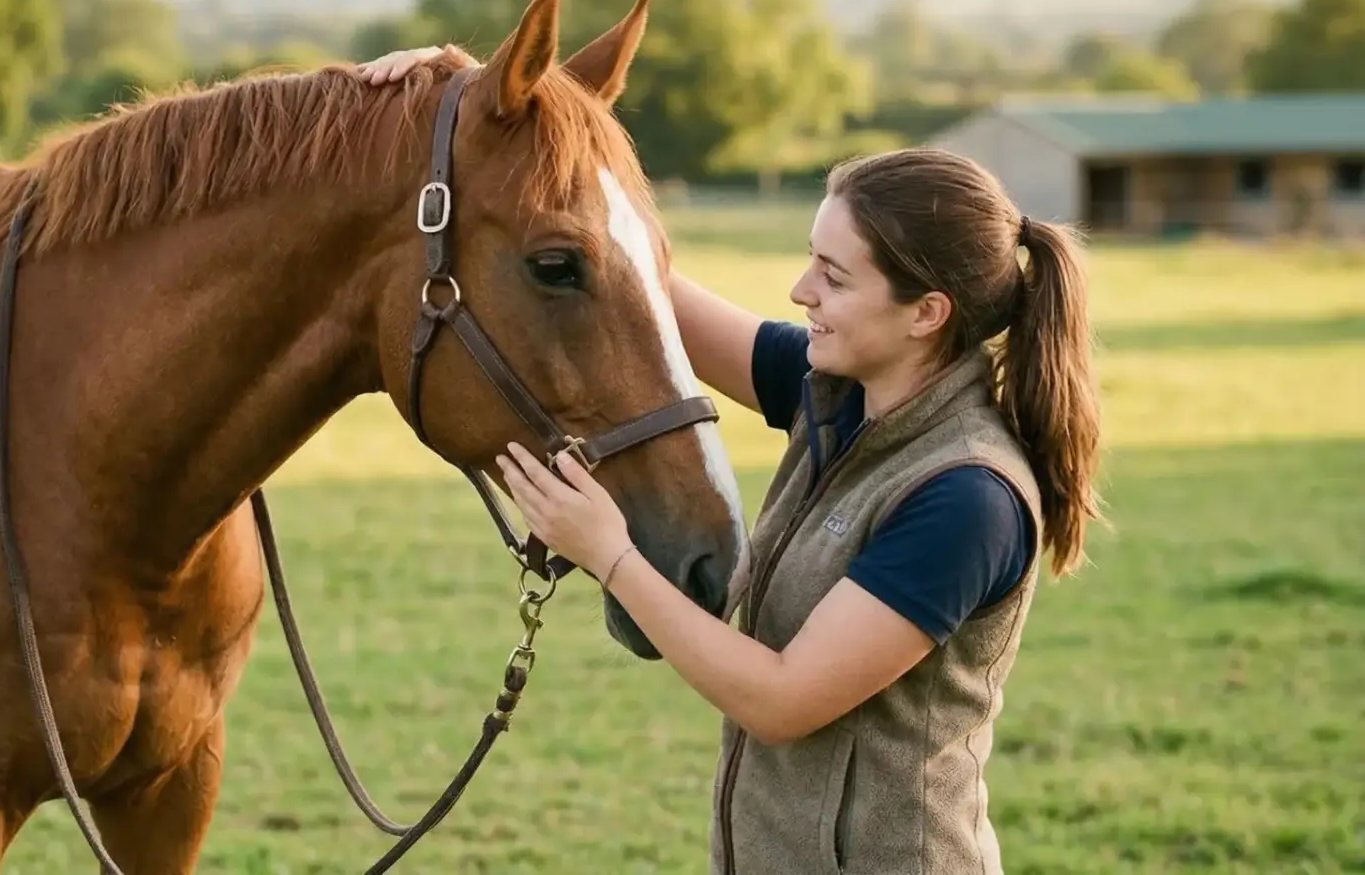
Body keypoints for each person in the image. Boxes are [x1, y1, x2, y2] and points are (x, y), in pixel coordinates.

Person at [356, 45, 1105, 874]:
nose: (799, 291)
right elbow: (613, 269)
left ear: (926, 313)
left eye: (833, 275)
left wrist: (608, 551)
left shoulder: (967, 497)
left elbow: (782, 698)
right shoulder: (837, 394)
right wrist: (483, 97)